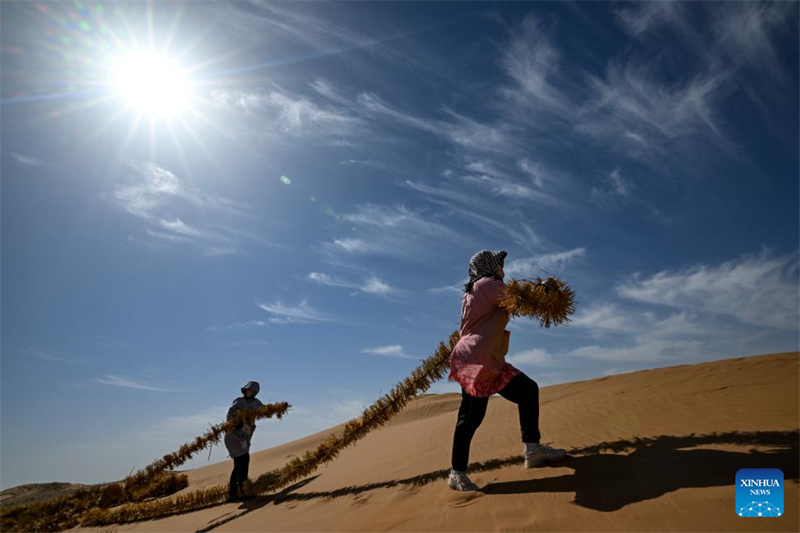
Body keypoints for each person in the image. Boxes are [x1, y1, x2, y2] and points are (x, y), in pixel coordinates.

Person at [447, 250, 566, 492]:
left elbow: (512, 299)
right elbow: (521, 299)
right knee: (470, 418)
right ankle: (456, 474)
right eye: (500, 263)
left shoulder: (477, 289)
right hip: (476, 360)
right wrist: (544, 289)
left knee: (527, 390)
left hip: (490, 359)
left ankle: (532, 449)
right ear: (489, 265)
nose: (503, 267)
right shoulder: (487, 284)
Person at [224, 381, 264, 501]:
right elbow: (230, 414)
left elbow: (264, 410)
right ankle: (242, 490)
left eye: (251, 391)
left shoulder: (257, 403)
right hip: (234, 436)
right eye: (247, 390)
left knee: (239, 464)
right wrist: (237, 421)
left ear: (255, 392)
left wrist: (277, 408)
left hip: (244, 437)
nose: (248, 392)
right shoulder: (239, 401)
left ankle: (234, 492)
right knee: (243, 460)